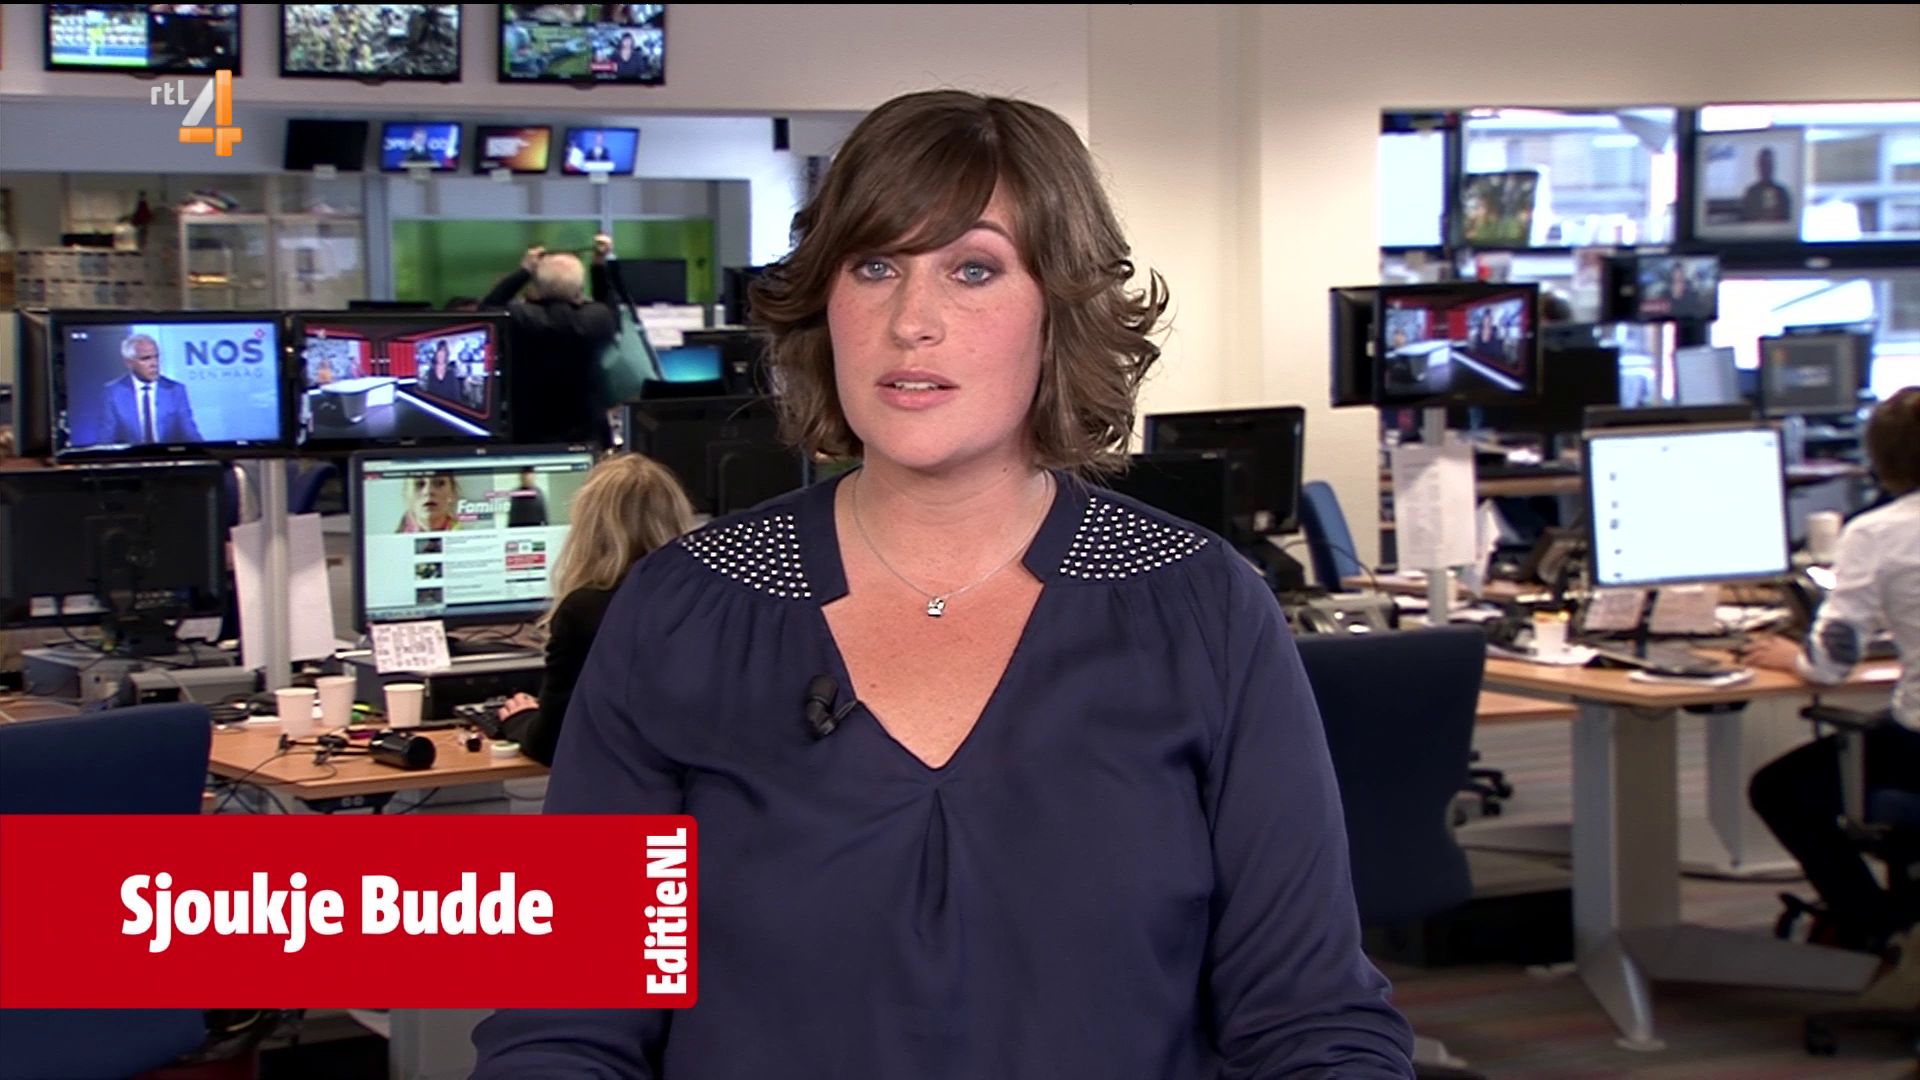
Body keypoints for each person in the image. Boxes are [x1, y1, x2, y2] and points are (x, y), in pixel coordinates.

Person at [472, 89, 1413, 1078]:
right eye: (874, 266)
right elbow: (564, 1027)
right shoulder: (682, 610)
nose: (910, 321)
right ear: (825, 303)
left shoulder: (1201, 609)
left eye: (973, 269)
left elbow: (1313, 1024)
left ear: (1058, 312)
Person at [1744, 388, 1920, 954]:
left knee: (1779, 790)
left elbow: (1832, 661)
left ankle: (1878, 925)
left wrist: (1791, 657)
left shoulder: (1877, 532)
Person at [494, 454, 696, 766]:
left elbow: (552, 745)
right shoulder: (707, 603)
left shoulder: (583, 611)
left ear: (589, 528)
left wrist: (519, 719)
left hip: (623, 791)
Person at [479, 236, 619, 445]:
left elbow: (487, 310)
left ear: (536, 287)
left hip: (528, 435)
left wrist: (524, 271)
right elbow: (609, 307)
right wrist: (599, 266)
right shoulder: (596, 320)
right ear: (579, 290)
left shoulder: (520, 319)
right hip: (588, 436)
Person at [97, 333, 202, 446]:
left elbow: (190, 433)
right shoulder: (113, 393)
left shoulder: (175, 390)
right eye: (146, 358)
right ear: (129, 363)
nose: (154, 364)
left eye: (156, 357)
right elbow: (106, 439)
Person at [395, 472, 463, 534]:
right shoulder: (392, 541)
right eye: (419, 484)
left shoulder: (466, 535)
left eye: (439, 483)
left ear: (453, 492)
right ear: (406, 494)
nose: (428, 491)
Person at [1741, 146, 1794, 224]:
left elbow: (1787, 219)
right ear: (1758, 166)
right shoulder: (1751, 192)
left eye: (1769, 164)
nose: (1766, 168)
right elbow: (1746, 219)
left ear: (1773, 166)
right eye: (1763, 164)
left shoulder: (1782, 192)